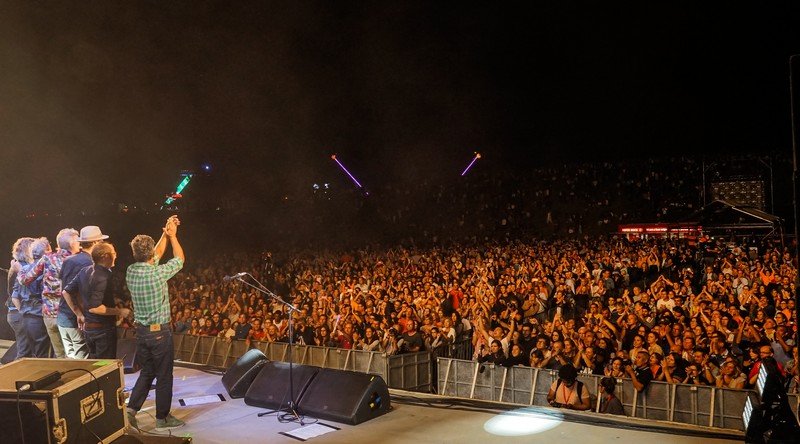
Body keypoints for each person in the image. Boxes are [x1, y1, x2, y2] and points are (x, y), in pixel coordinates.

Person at [126, 216, 185, 431]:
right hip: (160, 333)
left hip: (141, 333)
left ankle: (131, 411)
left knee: (147, 371)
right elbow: (179, 259)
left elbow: (156, 254)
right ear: (150, 254)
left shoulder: (131, 271)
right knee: (164, 375)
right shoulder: (158, 273)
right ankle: (162, 418)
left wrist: (164, 235)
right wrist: (173, 237)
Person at [15, 229, 79, 359]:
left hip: (49, 314)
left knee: (60, 356)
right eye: (78, 242)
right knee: (76, 356)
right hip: (69, 314)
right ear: (72, 244)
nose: (80, 244)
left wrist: (20, 269)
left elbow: (24, 279)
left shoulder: (48, 258)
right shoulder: (77, 260)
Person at [63, 243, 129, 359]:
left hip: (89, 330)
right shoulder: (104, 276)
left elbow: (66, 292)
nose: (116, 256)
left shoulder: (84, 271)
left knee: (94, 365)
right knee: (105, 366)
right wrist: (120, 311)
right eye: (113, 253)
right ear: (105, 256)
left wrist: (78, 314)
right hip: (103, 331)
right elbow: (95, 308)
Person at [59, 225, 108, 359]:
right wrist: (79, 314)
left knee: (70, 360)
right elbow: (79, 293)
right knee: (83, 363)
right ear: (96, 242)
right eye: (101, 241)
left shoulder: (69, 260)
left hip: (63, 318)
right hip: (78, 321)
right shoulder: (89, 264)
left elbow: (63, 289)